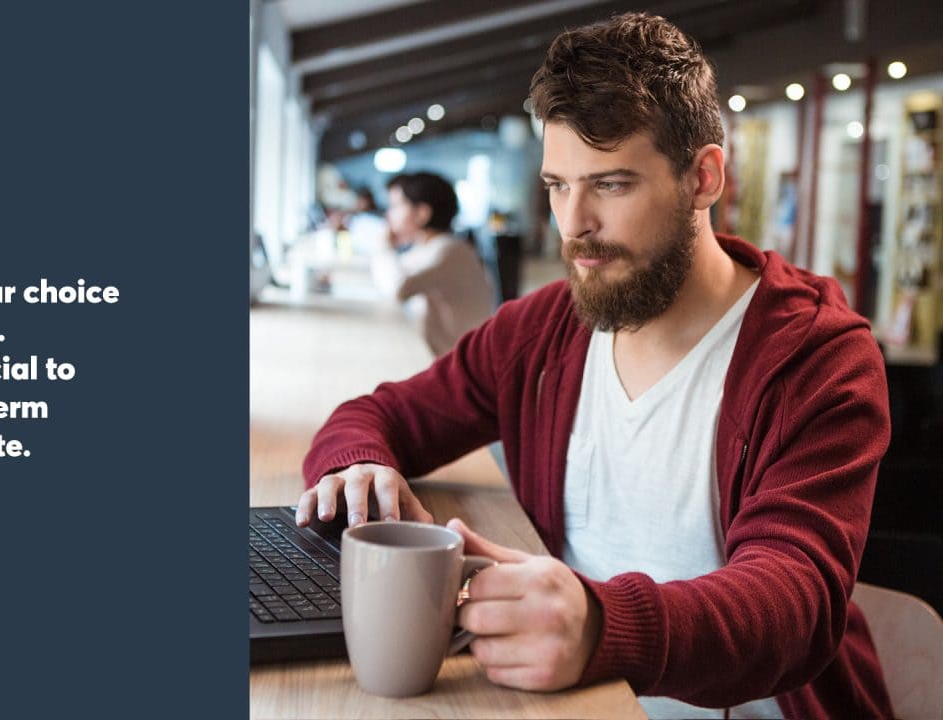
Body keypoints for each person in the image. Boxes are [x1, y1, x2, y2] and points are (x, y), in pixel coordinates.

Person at [295, 12, 892, 719]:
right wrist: (357, 468)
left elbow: (795, 601)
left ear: (703, 177)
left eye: (610, 184)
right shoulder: (545, 329)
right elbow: (376, 415)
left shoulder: (817, 358)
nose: (572, 223)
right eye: (556, 184)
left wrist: (603, 626)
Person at [371, 172, 495, 357]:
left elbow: (397, 289)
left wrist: (385, 247)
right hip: (441, 357)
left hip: (459, 367)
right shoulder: (427, 248)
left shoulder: (448, 251)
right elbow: (387, 282)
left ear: (422, 213)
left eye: (396, 206)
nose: (389, 215)